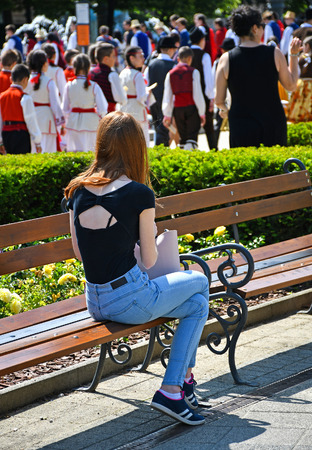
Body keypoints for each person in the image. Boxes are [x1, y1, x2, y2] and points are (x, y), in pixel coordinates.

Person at [64, 111, 209, 426]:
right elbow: (150, 261)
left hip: (96, 301)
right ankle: (174, 387)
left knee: (196, 305)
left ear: (101, 144)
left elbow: (78, 253)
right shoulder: (140, 194)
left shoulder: (77, 191)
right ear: (136, 148)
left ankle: (182, 384)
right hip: (131, 299)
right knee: (199, 282)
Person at [215, 5, 301, 148]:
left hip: (240, 124)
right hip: (272, 122)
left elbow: (219, 100)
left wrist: (224, 110)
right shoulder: (274, 53)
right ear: (255, 28)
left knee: (246, 168)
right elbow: (291, 85)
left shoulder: (226, 59)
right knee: (276, 168)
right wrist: (293, 55)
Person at [62, 54, 107, 152]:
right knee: (90, 152)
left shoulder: (69, 85)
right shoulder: (94, 86)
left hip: (73, 122)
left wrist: (67, 119)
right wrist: (99, 116)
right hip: (91, 122)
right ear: (88, 67)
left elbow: (64, 108)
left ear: (74, 67)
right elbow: (103, 108)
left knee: (74, 153)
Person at [162, 46, 205, 149]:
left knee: (183, 138)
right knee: (192, 139)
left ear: (178, 59)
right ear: (190, 58)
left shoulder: (170, 74)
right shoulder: (193, 72)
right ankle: (191, 161)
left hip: (178, 109)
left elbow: (167, 96)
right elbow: (197, 94)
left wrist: (167, 114)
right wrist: (202, 113)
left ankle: (183, 160)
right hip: (191, 108)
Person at [26, 49, 64, 153]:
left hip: (29, 119)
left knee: (32, 152)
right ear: (43, 64)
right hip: (46, 121)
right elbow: (55, 105)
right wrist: (61, 124)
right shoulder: (49, 82)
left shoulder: (26, 81)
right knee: (48, 152)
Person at [0, 64, 41, 155]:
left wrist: (0, 141)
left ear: (11, 79)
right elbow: (31, 120)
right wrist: (37, 141)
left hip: (6, 133)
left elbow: (0, 120)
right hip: (20, 134)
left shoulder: (2, 96)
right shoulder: (25, 97)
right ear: (25, 79)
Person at [144, 36, 176, 146]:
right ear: (171, 49)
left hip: (154, 101)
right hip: (169, 102)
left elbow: (146, 82)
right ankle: (160, 154)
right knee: (166, 131)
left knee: (158, 128)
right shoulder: (173, 65)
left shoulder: (151, 64)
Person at [190, 28, 216, 150]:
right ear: (202, 40)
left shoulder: (185, 53)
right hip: (203, 96)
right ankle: (214, 151)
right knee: (209, 128)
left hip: (188, 96)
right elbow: (208, 79)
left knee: (192, 129)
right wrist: (211, 97)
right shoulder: (204, 55)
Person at [119, 47, 149, 146]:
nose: (143, 59)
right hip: (137, 109)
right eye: (140, 56)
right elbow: (141, 97)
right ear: (131, 58)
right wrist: (148, 92)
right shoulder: (138, 75)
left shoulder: (122, 73)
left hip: (124, 108)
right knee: (141, 140)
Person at [90, 43, 126, 113]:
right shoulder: (112, 75)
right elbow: (121, 99)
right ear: (106, 59)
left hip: (92, 113)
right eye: (113, 56)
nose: (115, 58)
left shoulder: (91, 73)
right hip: (109, 112)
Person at [287, 36, 312, 123]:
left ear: (307, 46)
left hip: (302, 86)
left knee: (299, 110)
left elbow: (295, 72)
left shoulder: (302, 57)